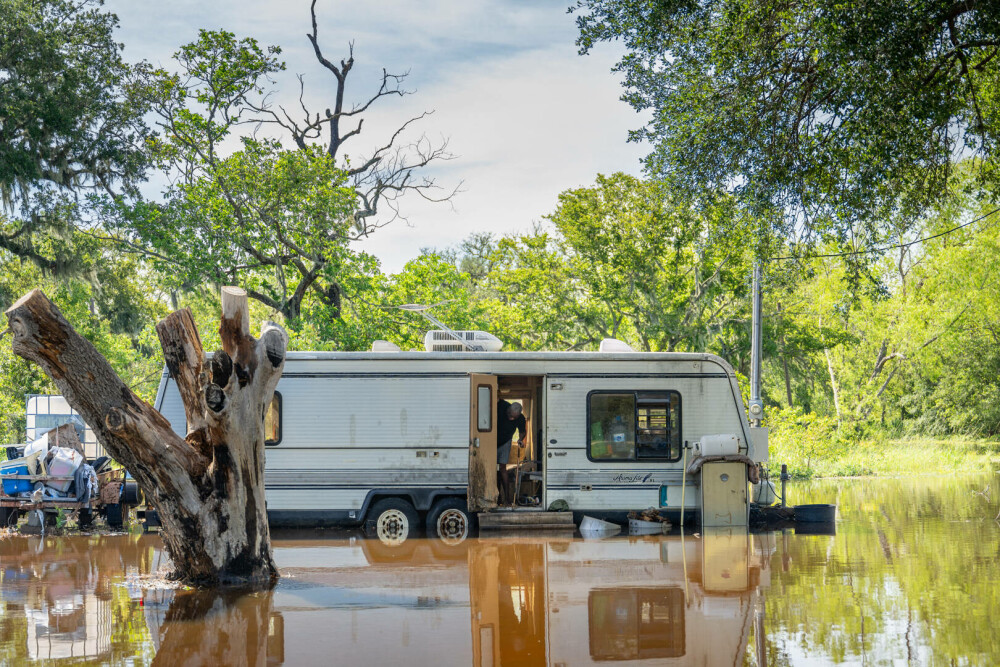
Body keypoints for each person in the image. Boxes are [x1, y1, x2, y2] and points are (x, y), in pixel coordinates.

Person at [496, 399, 527, 506]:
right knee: (491, 469)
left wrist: (520, 439)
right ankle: (496, 497)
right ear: (508, 409)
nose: (511, 418)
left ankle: (507, 499)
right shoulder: (501, 405)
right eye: (510, 415)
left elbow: (522, 432)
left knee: (502, 469)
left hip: (505, 441)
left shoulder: (521, 418)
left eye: (514, 417)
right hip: (491, 440)